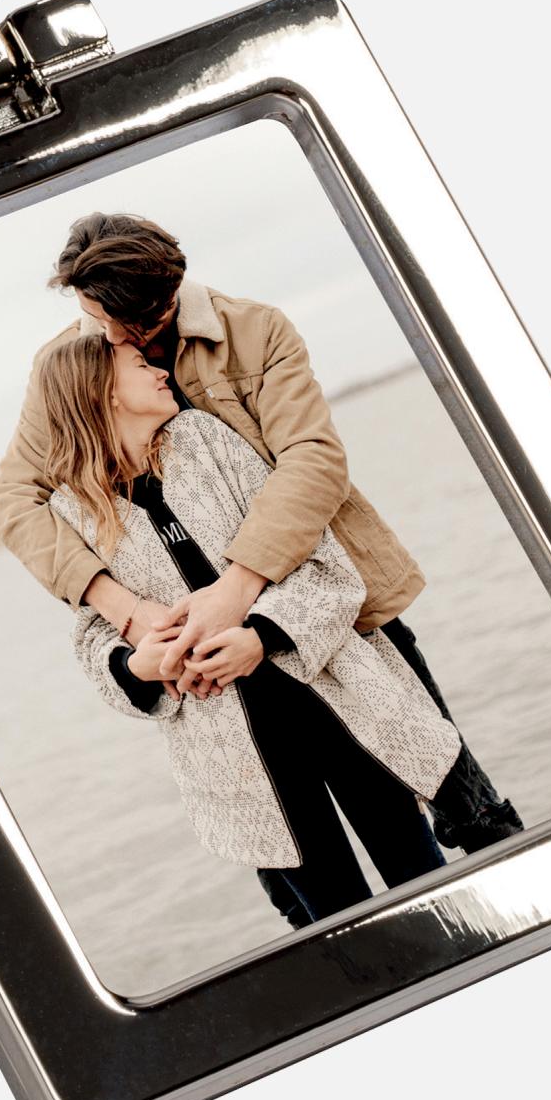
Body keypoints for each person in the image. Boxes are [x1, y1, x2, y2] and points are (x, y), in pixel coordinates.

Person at [0, 212, 523, 922]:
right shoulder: (72, 363)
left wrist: (236, 597)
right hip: (218, 694)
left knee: (451, 792)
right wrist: (129, 613)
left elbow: (313, 460)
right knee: (298, 883)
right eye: (94, 317)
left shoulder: (256, 330)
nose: (108, 336)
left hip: (338, 614)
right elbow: (14, 497)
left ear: (165, 297)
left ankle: (517, 923)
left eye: (122, 326)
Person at [40, 329, 466, 918]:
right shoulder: (71, 510)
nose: (162, 373)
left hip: (339, 703)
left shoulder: (208, 440)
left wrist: (260, 638)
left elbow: (323, 561)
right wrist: (138, 665)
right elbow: (91, 635)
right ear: (104, 391)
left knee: (429, 888)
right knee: (338, 925)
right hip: (237, 759)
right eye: (142, 365)